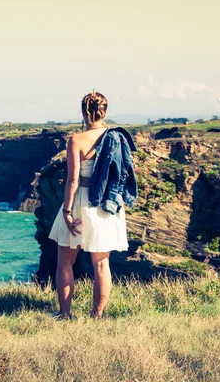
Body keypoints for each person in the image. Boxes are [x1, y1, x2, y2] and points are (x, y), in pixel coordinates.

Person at [48, 90, 138, 319]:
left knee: (65, 263)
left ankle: (65, 314)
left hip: (80, 202)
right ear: (105, 111)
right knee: (101, 264)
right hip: (107, 204)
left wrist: (67, 211)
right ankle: (97, 316)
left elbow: (72, 180)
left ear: (82, 112)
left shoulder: (76, 140)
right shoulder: (117, 137)